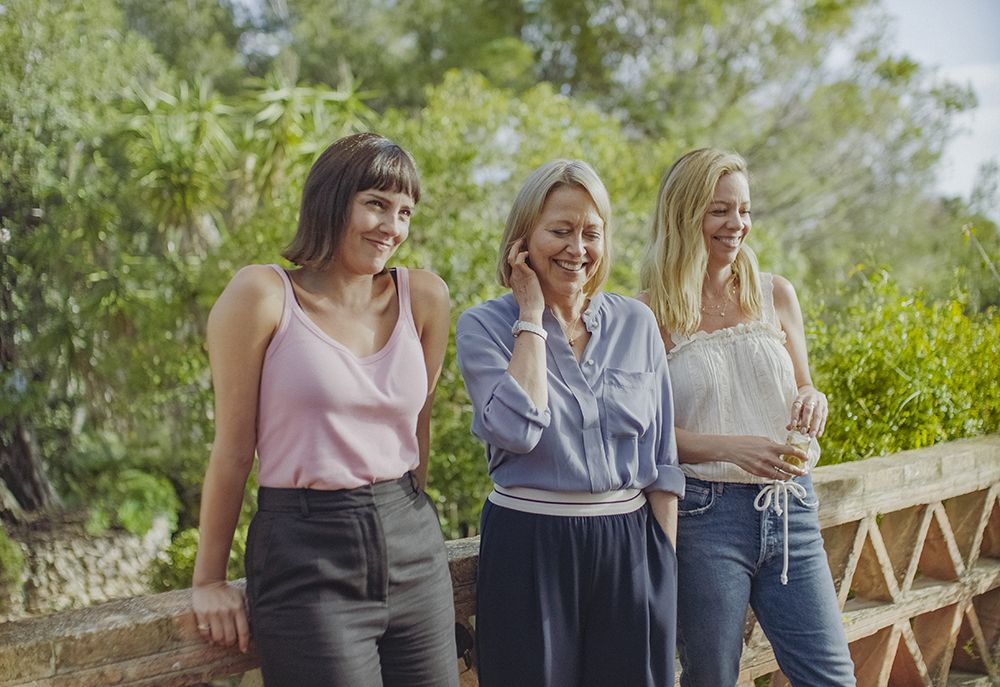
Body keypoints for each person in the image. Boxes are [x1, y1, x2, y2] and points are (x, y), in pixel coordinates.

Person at [190, 132, 458, 687]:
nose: (393, 226)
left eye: (405, 210)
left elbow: (418, 426)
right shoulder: (261, 296)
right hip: (307, 554)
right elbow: (234, 450)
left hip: (412, 542)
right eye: (377, 204)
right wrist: (209, 580)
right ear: (332, 200)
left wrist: (410, 516)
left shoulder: (425, 296)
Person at [456, 159, 684, 687]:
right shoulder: (482, 327)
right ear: (523, 239)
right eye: (559, 231)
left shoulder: (637, 322)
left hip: (630, 544)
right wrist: (530, 317)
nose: (576, 248)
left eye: (590, 233)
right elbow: (517, 429)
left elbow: (661, 458)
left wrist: (661, 566)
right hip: (528, 546)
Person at [639, 148, 855, 686]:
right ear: (684, 214)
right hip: (704, 517)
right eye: (719, 210)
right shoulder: (647, 314)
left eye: (744, 210)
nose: (737, 225)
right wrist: (733, 447)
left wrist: (814, 397)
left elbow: (803, 383)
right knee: (710, 677)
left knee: (831, 676)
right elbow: (646, 436)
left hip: (792, 506)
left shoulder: (775, 293)